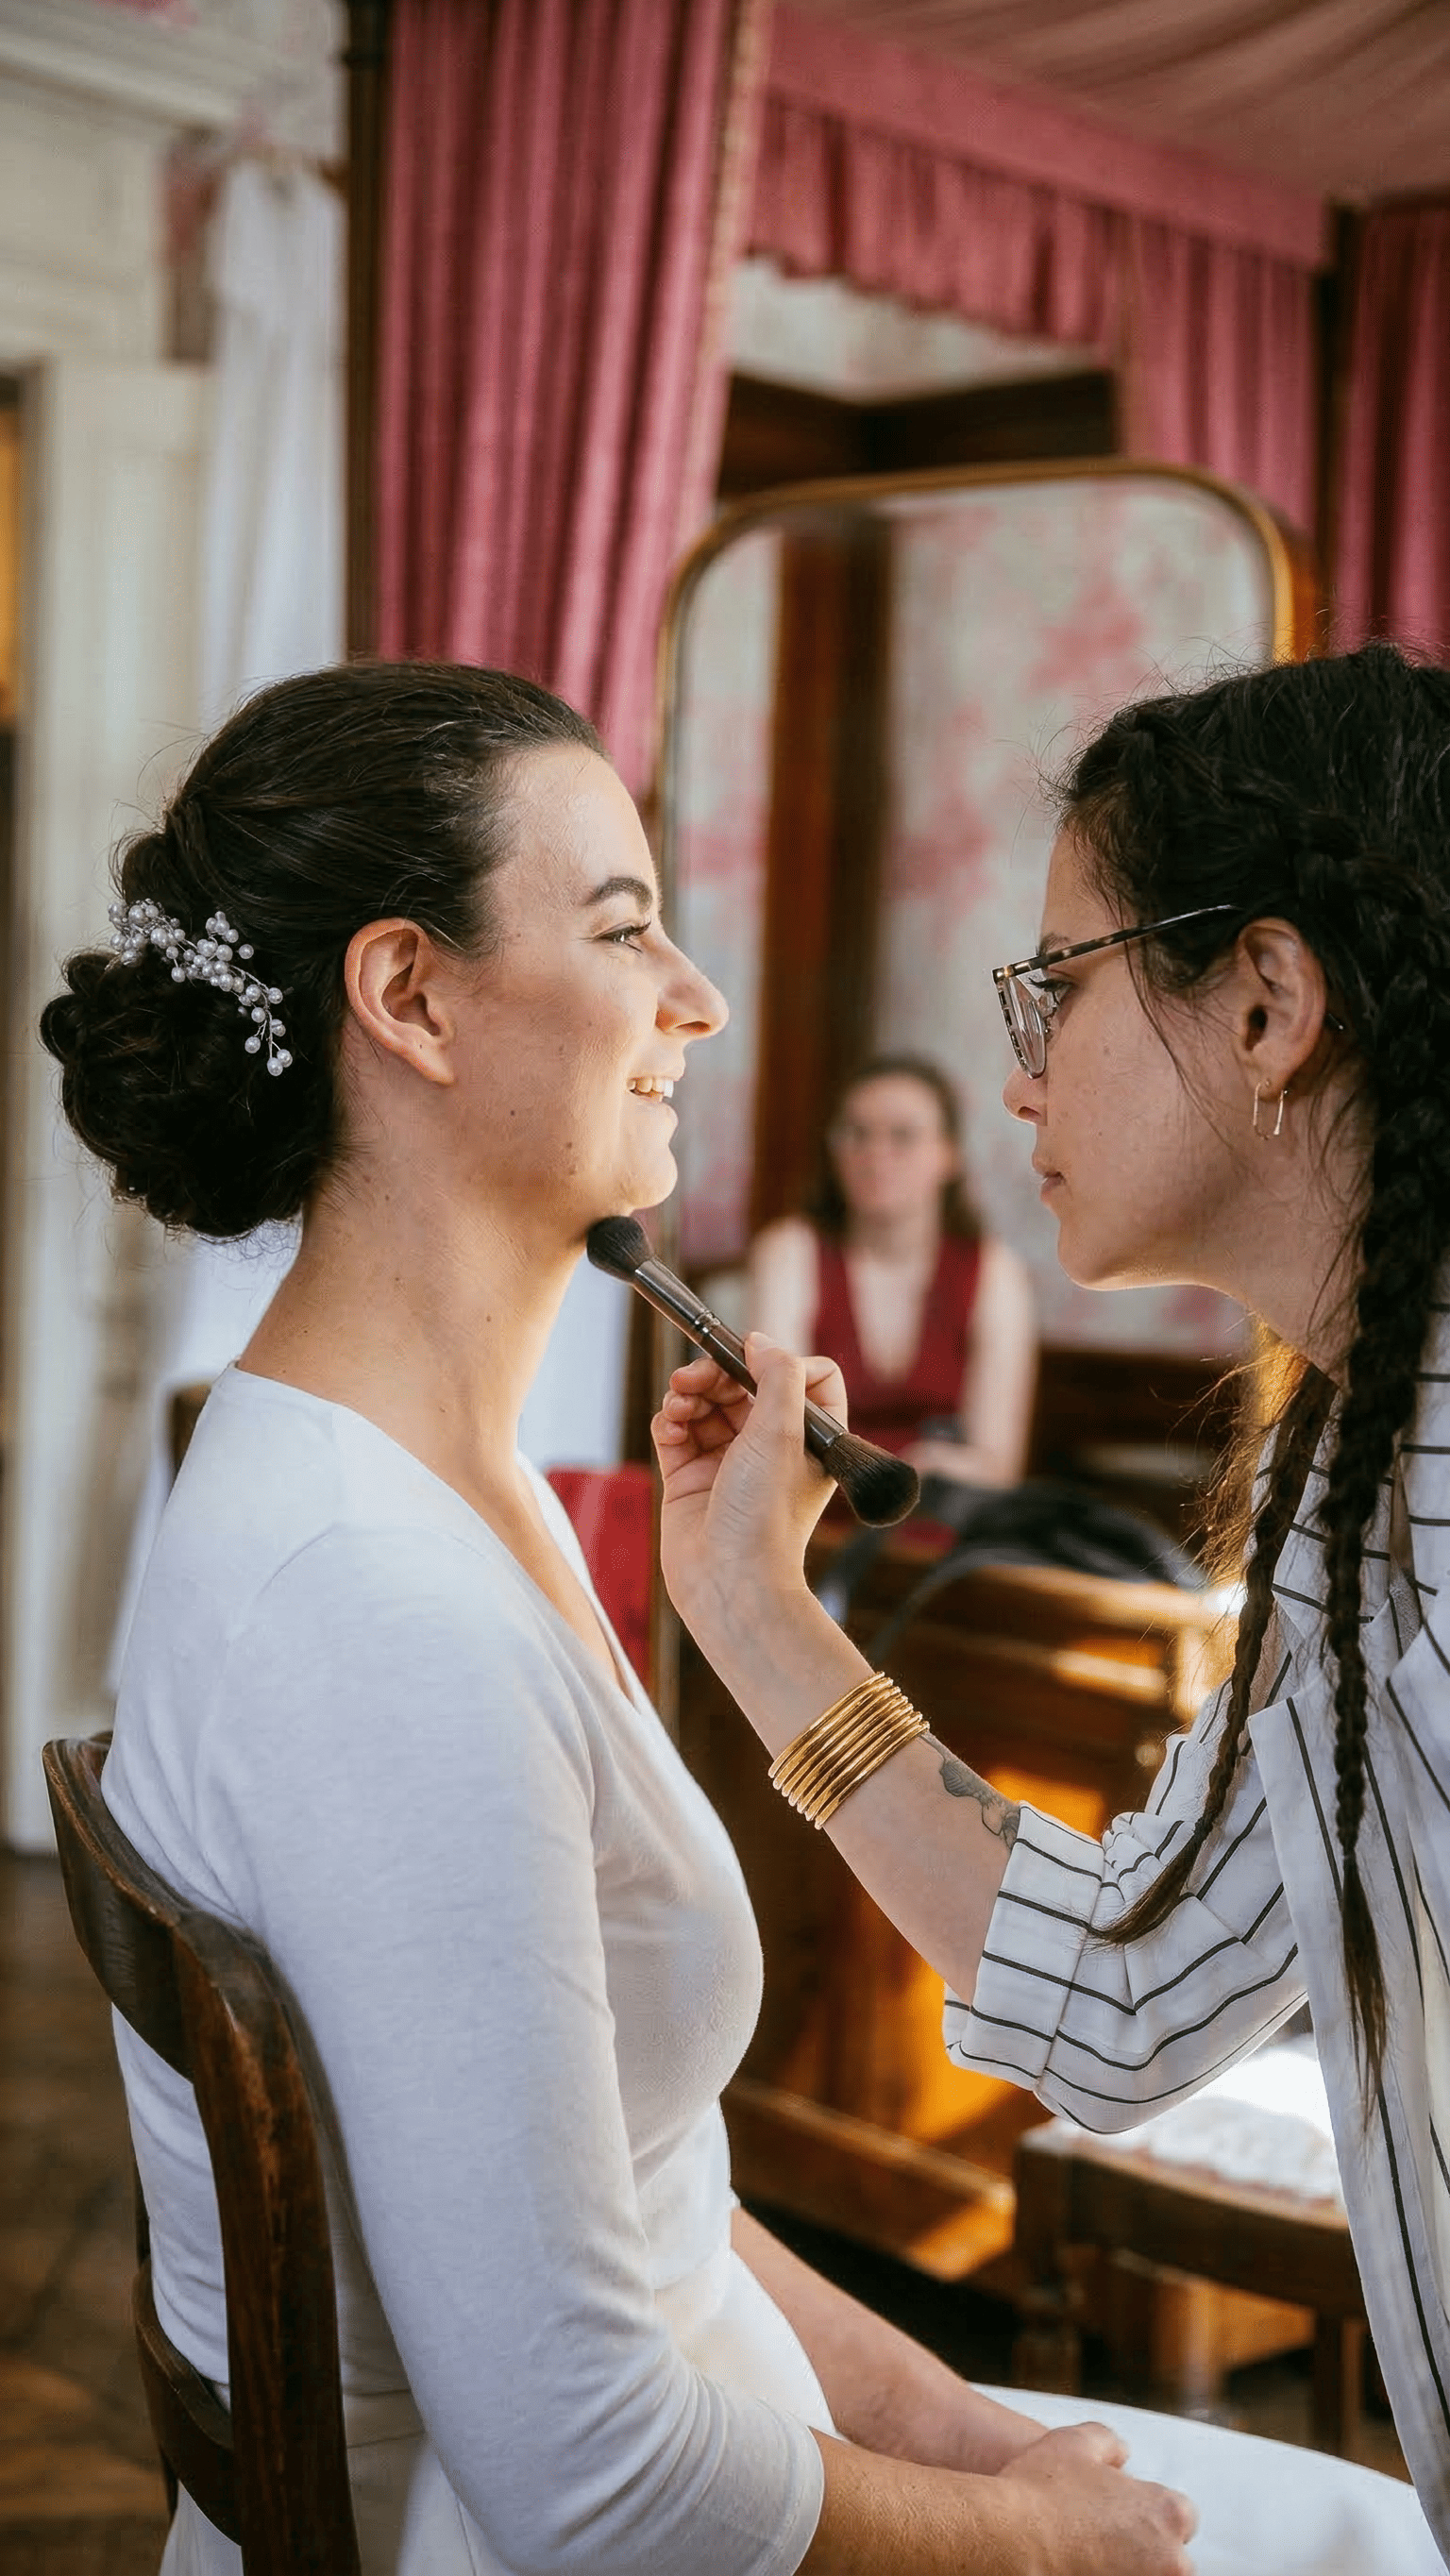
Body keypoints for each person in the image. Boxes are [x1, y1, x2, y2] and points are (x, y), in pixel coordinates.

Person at [42, 661, 1196, 2576]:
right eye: (622, 922)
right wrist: (1043, 2544)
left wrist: (986, 2444)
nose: (700, 994)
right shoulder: (377, 1600)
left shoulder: (435, 1489)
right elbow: (598, 2479)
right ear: (407, 995)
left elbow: (635, 2192)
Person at [653, 646, 1450, 2567]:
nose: (1018, 1073)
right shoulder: (1356, 1478)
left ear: (1266, 1003)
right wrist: (752, 1608)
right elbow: (1124, 1994)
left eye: (1057, 984)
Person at [747, 1056, 1037, 1490]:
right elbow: (778, 1430)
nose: (875, 1155)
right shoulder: (789, 1252)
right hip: (811, 1512)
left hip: (938, 1522)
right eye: (857, 1134)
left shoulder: (995, 1273)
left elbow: (997, 1465)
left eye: (903, 1136)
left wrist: (930, 1468)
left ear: (949, 1155)